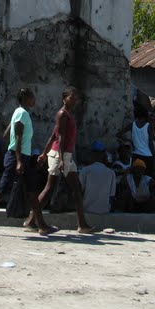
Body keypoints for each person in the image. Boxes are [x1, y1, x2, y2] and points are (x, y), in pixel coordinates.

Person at [0, 88, 56, 236]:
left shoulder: (19, 113)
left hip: (21, 157)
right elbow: (17, 138)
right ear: (24, 97)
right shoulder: (22, 114)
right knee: (2, 190)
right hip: (17, 158)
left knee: (32, 191)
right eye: (31, 96)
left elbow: (6, 134)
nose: (34, 99)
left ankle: (42, 225)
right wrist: (18, 160)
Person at [36, 86, 95, 233]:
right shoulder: (63, 114)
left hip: (62, 154)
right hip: (61, 155)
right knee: (62, 189)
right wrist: (62, 159)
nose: (74, 100)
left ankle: (32, 220)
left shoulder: (66, 114)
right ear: (64, 98)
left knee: (60, 189)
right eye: (71, 97)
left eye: (75, 97)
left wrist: (44, 153)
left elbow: (53, 135)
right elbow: (60, 137)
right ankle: (82, 224)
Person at [78, 140, 117, 215]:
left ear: (91, 154)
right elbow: (111, 196)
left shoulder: (85, 170)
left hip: (87, 210)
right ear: (103, 155)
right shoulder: (111, 173)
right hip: (105, 210)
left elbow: (79, 191)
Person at [120, 109, 155, 174]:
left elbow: (119, 134)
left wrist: (130, 141)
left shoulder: (132, 125)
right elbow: (150, 142)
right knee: (147, 176)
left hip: (135, 155)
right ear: (146, 116)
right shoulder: (149, 126)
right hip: (147, 155)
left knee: (135, 175)